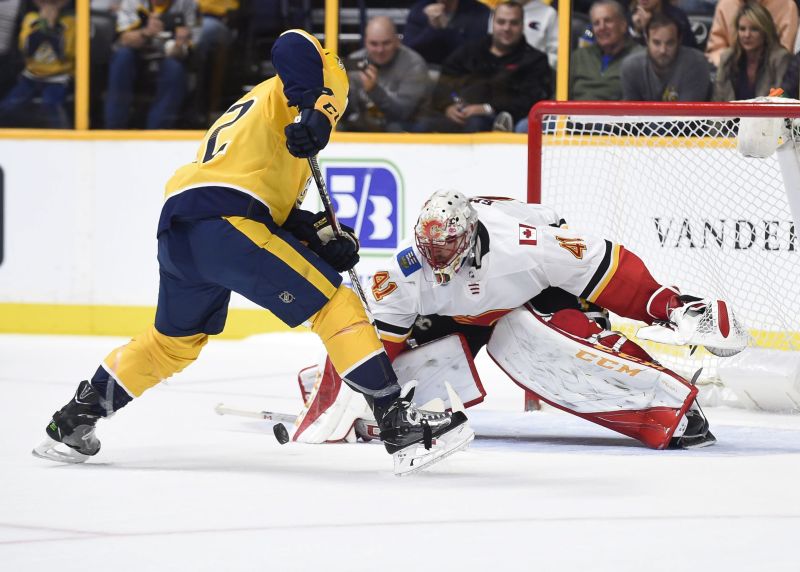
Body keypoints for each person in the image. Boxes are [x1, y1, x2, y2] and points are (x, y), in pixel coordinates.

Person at [33, 29, 472, 476]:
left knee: (171, 344)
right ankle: (397, 423)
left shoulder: (262, 125)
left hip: (183, 226)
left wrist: (323, 245)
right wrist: (315, 113)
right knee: (335, 304)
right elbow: (290, 42)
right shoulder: (325, 79)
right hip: (226, 221)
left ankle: (74, 420)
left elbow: (271, 220)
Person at [292, 191, 748, 450]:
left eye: (446, 250)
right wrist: (366, 395)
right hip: (466, 313)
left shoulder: (526, 248)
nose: (435, 260)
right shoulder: (407, 274)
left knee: (531, 341)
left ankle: (671, 408)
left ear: (468, 240)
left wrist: (665, 303)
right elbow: (379, 340)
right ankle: (335, 388)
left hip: (543, 292)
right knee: (419, 365)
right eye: (428, 250)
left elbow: (603, 263)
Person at [414, 1, 551, 133]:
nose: (506, 28)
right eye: (501, 22)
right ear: (492, 23)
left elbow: (529, 100)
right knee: (423, 126)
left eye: (513, 23)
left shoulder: (535, 60)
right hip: (458, 115)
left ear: (522, 25)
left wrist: (487, 108)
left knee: (476, 123)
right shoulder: (468, 51)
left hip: (503, 121)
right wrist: (448, 106)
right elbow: (444, 84)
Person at [104, 0, 198, 129]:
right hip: (136, 56)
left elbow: (187, 52)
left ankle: (156, 131)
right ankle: (114, 129)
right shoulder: (132, 2)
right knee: (122, 58)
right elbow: (124, 39)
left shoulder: (187, 4)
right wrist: (146, 32)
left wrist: (180, 42)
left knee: (175, 69)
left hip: (168, 57)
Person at [339, 16, 430, 133]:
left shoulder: (413, 64)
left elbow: (403, 114)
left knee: (394, 127)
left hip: (407, 130)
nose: (380, 50)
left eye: (386, 43)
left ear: (397, 41)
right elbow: (346, 111)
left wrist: (373, 90)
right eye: (373, 44)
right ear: (365, 42)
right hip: (365, 129)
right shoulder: (355, 61)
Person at [0, 0, 74, 128]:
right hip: (30, 77)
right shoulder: (30, 19)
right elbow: (27, 51)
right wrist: (43, 26)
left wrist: (52, 28)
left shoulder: (72, 22)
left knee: (51, 106)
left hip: (59, 78)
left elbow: (64, 54)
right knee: (8, 106)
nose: (49, 4)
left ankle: (66, 139)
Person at [713, 1, 792, 101]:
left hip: (767, 115)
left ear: (765, 31)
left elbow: (781, 100)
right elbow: (717, 100)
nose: (747, 35)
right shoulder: (727, 58)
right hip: (731, 116)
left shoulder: (780, 59)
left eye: (754, 29)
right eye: (742, 29)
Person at [622, 13, 711, 101]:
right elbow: (631, 113)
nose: (663, 50)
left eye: (670, 43)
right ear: (647, 40)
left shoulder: (696, 63)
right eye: (656, 43)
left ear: (679, 40)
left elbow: (687, 113)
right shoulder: (631, 67)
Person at [570, 0, 643, 101]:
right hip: (574, 115)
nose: (602, 27)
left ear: (623, 25)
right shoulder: (579, 57)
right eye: (596, 23)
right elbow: (557, 98)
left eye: (608, 21)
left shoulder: (640, 57)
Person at [706, 0, 798, 68]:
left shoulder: (786, 5)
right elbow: (715, 50)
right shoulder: (725, 4)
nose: (747, 35)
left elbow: (785, 53)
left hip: (772, 73)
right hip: (733, 71)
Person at [403, 0, 491, 66]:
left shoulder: (479, 12)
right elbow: (409, 52)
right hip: (426, 72)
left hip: (463, 76)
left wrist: (445, 30)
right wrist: (433, 29)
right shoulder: (419, 9)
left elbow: (474, 55)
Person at [629, 0, 698, 49]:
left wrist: (647, 28)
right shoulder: (628, 17)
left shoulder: (677, 18)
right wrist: (638, 31)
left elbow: (687, 50)